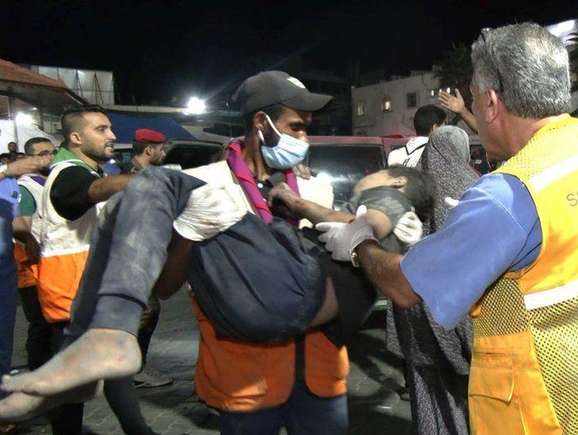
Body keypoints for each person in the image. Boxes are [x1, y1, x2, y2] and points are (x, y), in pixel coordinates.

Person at [316, 23, 578, 434]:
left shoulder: (510, 194)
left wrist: (360, 244)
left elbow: (408, 287)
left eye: (473, 102)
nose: (473, 113)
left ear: (491, 102)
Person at [0, 72, 357, 435]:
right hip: (246, 379)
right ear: (261, 123)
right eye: (296, 128)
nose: (304, 140)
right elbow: (167, 286)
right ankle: (106, 335)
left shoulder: (316, 189)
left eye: (307, 129)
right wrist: (188, 234)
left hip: (319, 372)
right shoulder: (207, 182)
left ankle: (104, 337)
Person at [30, 105, 141, 435]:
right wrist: (140, 181)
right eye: (102, 129)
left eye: (110, 129)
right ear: (76, 137)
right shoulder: (69, 173)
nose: (112, 136)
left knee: (116, 372)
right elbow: (91, 192)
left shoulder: (87, 171)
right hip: (72, 302)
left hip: (90, 298)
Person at [388, 125, 476, 435]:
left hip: (414, 319)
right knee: (466, 408)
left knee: (427, 401)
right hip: (452, 323)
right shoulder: (471, 189)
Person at [119, 128, 173, 389]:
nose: (164, 153)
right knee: (145, 311)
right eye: (162, 148)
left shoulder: (141, 175)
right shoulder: (128, 178)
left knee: (145, 311)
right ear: (149, 150)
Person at [14, 137, 55, 373]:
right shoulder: (26, 186)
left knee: (50, 322)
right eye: (42, 153)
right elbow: (21, 226)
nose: (49, 157)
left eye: (52, 152)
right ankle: (38, 374)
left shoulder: (48, 180)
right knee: (40, 324)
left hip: (48, 265)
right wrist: (30, 241)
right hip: (31, 267)